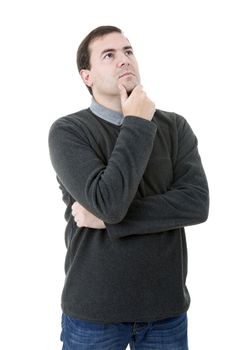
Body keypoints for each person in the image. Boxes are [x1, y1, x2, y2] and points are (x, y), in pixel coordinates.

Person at [48, 25, 209, 350]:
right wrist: (136, 121)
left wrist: (109, 220)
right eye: (109, 55)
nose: (124, 60)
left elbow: (196, 204)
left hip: (166, 312)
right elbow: (110, 202)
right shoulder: (68, 131)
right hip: (95, 312)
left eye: (128, 51)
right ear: (87, 76)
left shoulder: (174, 127)